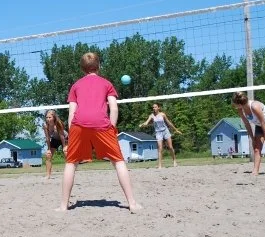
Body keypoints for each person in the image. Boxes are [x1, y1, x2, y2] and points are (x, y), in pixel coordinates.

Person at [56, 52, 142, 212]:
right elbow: (114, 108)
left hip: (78, 124)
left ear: (82, 69)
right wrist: (112, 127)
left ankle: (63, 206)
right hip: (102, 124)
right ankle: (132, 203)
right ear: (99, 66)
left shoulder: (76, 85)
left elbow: (71, 112)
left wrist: (72, 133)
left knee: (71, 162)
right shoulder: (106, 83)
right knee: (118, 161)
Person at [232, 91, 265, 176]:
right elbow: (247, 124)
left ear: (239, 104)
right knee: (256, 148)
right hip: (259, 125)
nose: (234, 106)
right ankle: (255, 171)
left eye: (234, 104)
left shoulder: (254, 106)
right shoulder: (240, 109)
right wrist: (252, 139)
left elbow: (263, 122)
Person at [139, 102, 182, 168]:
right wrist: (142, 124)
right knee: (160, 148)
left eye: (155, 107)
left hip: (165, 131)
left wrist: (176, 130)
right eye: (153, 107)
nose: (154, 108)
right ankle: (160, 165)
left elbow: (169, 123)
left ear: (158, 108)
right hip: (158, 133)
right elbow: (147, 122)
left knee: (170, 147)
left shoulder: (162, 114)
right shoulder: (151, 115)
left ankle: (174, 161)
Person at [43, 109, 67, 179]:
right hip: (55, 139)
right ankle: (48, 175)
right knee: (48, 156)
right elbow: (47, 138)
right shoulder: (45, 126)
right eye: (47, 117)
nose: (48, 119)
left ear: (54, 117)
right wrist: (48, 149)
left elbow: (62, 136)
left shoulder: (58, 123)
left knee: (67, 154)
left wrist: (64, 147)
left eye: (50, 117)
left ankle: (69, 173)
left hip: (64, 138)